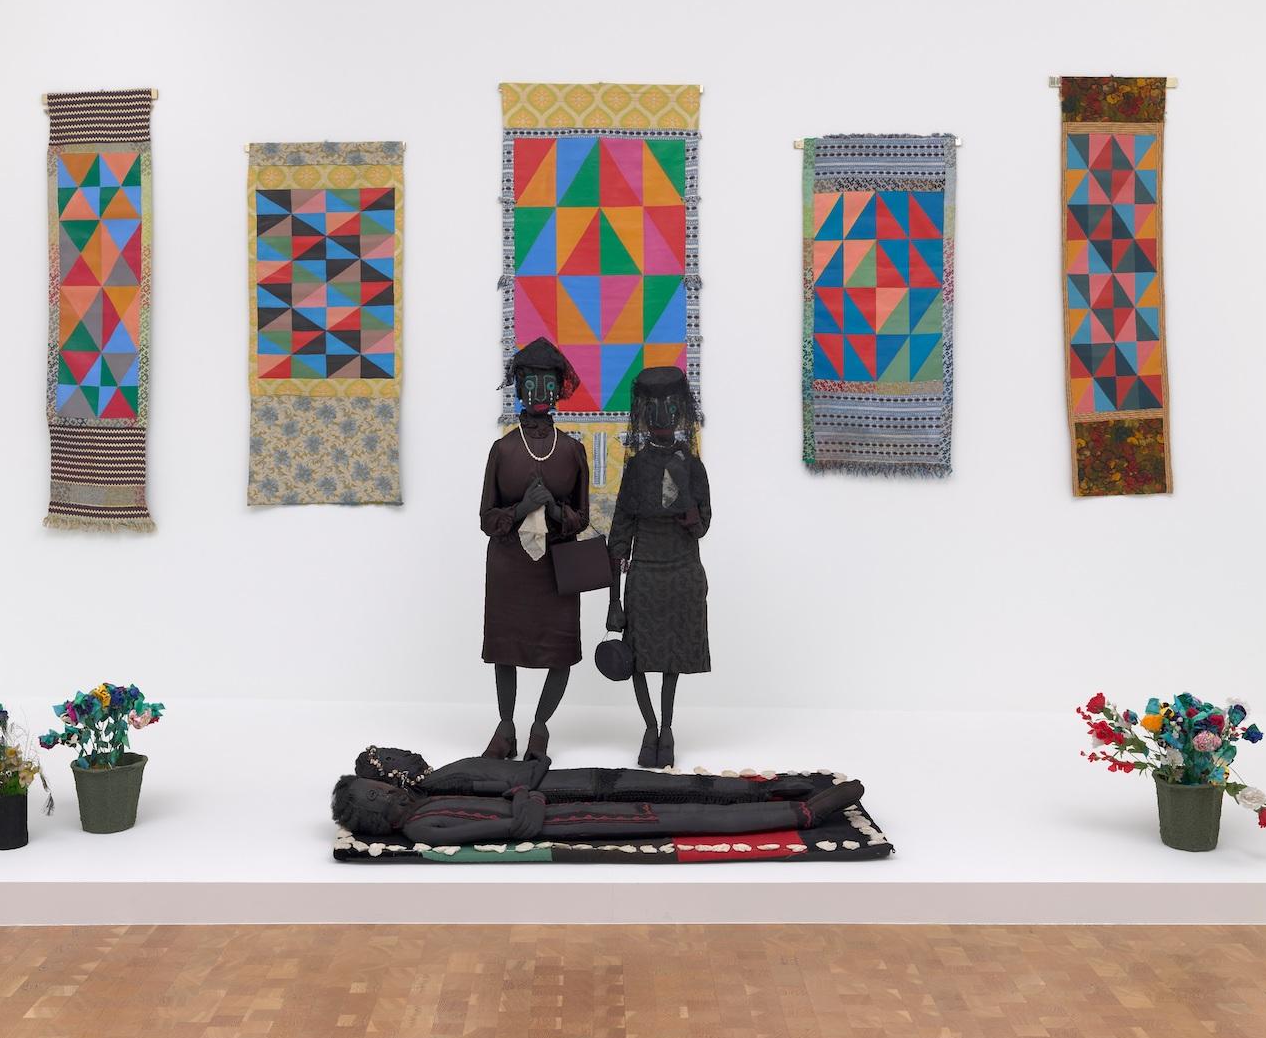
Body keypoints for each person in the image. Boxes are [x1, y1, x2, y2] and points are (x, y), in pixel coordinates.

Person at [333, 746, 867, 847]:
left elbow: (517, 783)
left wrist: (524, 787)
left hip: (566, 800)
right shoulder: (423, 826)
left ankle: (771, 792)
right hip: (569, 818)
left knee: (679, 794)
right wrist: (526, 796)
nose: (387, 789)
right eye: (376, 793)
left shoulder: (431, 796)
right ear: (372, 814)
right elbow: (516, 826)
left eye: (380, 784)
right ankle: (801, 813)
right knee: (684, 817)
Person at [478, 338, 590, 762]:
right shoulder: (503, 449)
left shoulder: (572, 451)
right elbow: (486, 518)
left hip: (557, 569)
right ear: (519, 388)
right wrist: (522, 508)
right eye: (531, 384)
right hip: (510, 566)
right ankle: (505, 727)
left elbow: (583, 516)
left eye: (548, 384)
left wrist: (556, 511)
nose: (540, 393)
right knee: (505, 648)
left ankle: (540, 726)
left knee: (560, 650)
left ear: (560, 388)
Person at [606, 366, 710, 768]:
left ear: (680, 411)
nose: (663, 417)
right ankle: (650, 726)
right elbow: (620, 531)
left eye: (670, 408)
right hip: (645, 570)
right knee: (637, 653)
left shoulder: (692, 464)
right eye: (654, 409)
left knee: (672, 656)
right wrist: (613, 600)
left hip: (682, 568)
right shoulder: (636, 467)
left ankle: (666, 728)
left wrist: (689, 509)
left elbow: (702, 524)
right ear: (644, 415)